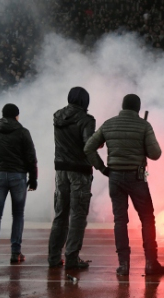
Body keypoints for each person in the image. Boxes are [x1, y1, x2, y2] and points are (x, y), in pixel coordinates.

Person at [84, 94, 164, 276]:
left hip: (114, 177)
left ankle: (123, 265)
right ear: (138, 108)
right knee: (147, 218)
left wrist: (103, 169)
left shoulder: (108, 124)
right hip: (137, 178)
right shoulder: (144, 125)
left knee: (120, 220)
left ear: (122, 106)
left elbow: (88, 147)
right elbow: (156, 154)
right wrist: (142, 146)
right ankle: (151, 262)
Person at [0, 103, 38, 265]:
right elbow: (30, 157)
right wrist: (33, 178)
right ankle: (15, 252)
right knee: (18, 214)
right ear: (16, 116)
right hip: (18, 176)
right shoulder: (23, 132)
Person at [48, 87, 95, 270]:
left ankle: (53, 257)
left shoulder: (57, 116)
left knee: (60, 214)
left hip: (60, 171)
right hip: (80, 171)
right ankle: (72, 258)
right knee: (78, 215)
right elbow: (88, 146)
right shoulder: (86, 120)